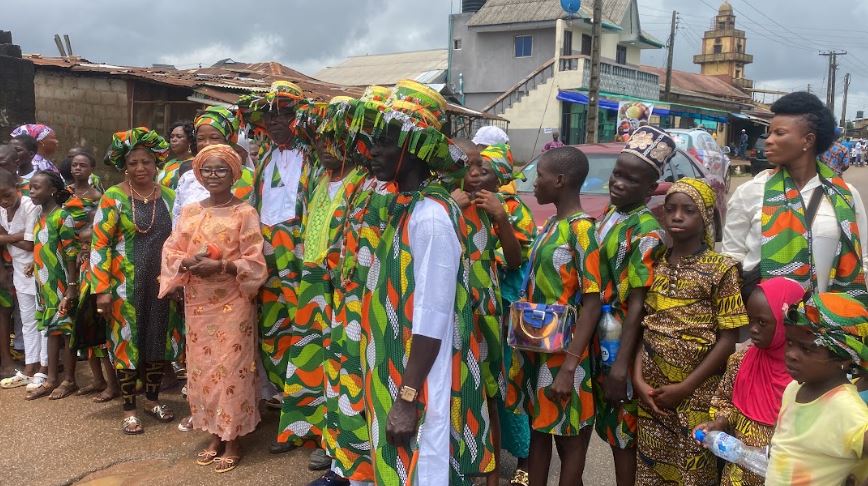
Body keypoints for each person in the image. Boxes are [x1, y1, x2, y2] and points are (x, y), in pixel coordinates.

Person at [354, 80, 493, 484]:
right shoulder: (405, 205)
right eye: (372, 142)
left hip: (420, 379)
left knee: (425, 466)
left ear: (413, 149)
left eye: (383, 143)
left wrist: (408, 397)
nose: (372, 152)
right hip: (398, 368)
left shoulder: (430, 218)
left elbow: (433, 315)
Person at [159, 144, 267, 473]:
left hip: (233, 301)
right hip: (198, 302)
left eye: (221, 170)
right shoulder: (191, 211)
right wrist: (188, 262)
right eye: (207, 170)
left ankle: (233, 438)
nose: (213, 176)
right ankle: (213, 433)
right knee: (203, 370)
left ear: (234, 173)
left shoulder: (244, 212)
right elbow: (171, 249)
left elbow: (255, 261)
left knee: (232, 368)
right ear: (198, 174)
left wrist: (222, 268)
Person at [633, 177, 748, 485]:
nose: (677, 217)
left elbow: (729, 339)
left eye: (688, 210)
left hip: (697, 395)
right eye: (670, 209)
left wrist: (685, 387)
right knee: (652, 471)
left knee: (693, 472)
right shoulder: (654, 264)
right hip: (653, 398)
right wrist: (638, 380)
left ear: (706, 216)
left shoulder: (721, 269)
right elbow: (645, 327)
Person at [274, 97, 366, 475]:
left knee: (342, 363)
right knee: (313, 360)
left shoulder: (362, 182)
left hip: (344, 287)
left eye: (335, 142)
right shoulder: (318, 178)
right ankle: (315, 433)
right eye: (321, 142)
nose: (326, 149)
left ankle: (339, 443)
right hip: (312, 285)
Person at [507, 146, 603, 486]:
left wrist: (569, 367)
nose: (534, 182)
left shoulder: (582, 230)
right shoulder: (551, 224)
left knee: (571, 441)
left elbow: (592, 300)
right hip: (537, 350)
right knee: (539, 433)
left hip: (564, 356)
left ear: (560, 181)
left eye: (541, 176)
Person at [313, 85, 394, 486]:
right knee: (343, 383)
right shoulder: (364, 181)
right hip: (346, 302)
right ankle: (344, 468)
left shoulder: (404, 193)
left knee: (369, 389)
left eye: (374, 137)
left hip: (376, 308)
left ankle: (365, 474)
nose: (363, 144)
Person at [723, 92, 868, 304]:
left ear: (807, 141)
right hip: (763, 328)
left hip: (825, 328)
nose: (768, 141)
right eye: (769, 133)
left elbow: (861, 260)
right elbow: (732, 258)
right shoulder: (751, 192)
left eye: (779, 133)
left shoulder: (845, 196)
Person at [592, 126, 669, 486]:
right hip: (599, 334)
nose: (618, 183)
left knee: (624, 432)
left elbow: (639, 303)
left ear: (650, 189)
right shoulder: (611, 214)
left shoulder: (646, 230)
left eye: (630, 179)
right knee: (611, 428)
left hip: (621, 341)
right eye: (617, 174)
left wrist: (622, 364)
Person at [93, 127, 179, 434]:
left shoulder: (169, 197)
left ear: (156, 163)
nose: (140, 168)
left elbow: (180, 241)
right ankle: (129, 407)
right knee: (125, 343)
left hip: (161, 285)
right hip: (122, 287)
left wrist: (178, 279)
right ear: (124, 167)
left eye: (146, 162)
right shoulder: (113, 198)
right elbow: (99, 245)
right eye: (133, 163)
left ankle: (152, 399)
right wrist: (101, 290)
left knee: (157, 340)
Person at [237, 81, 315, 413]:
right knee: (272, 325)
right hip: (267, 251)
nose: (275, 123)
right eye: (269, 117)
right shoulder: (265, 156)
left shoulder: (314, 156)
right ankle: (286, 397)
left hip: (300, 251)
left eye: (283, 115)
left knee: (307, 324)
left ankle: (311, 406)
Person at [451, 141, 523, 486]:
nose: (476, 173)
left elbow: (513, 261)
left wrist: (501, 217)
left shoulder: (494, 208)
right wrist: (452, 207)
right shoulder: (442, 203)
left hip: (487, 312)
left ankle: (492, 476)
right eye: (470, 166)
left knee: (490, 395)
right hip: (452, 311)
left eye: (482, 166)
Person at [692, 277, 804, 486]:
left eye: (762, 322)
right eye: (750, 320)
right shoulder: (741, 360)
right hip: (736, 473)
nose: (752, 329)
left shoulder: (802, 379)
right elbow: (725, 400)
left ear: (785, 323)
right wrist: (720, 422)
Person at [766, 292, 868, 485]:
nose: (792, 355)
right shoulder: (793, 389)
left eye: (807, 349)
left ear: (845, 359)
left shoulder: (845, 408)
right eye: (789, 343)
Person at [27, 171, 79, 400]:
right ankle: (51, 379)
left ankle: (69, 380)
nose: (31, 191)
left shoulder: (62, 216)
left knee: (66, 331)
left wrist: (71, 285)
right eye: (30, 187)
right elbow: (45, 245)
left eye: (36, 187)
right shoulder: (40, 215)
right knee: (51, 330)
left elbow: (70, 253)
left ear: (52, 191)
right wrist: (33, 263)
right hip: (44, 284)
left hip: (60, 283)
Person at [173, 107, 254, 223]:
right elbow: (177, 222)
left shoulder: (248, 177)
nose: (207, 144)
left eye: (214, 138)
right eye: (201, 139)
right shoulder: (187, 179)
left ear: (228, 140)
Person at [0, 169, 41, 389]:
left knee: (43, 319)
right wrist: (19, 236)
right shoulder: (1, 209)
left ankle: (44, 369)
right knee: (27, 322)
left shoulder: (29, 206)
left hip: (38, 268)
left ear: (17, 188)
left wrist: (5, 238)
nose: (4, 201)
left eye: (7, 194)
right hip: (19, 270)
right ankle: (30, 368)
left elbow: (31, 244)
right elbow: (23, 240)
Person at [158, 120, 195, 190]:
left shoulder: (195, 164)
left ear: (190, 140)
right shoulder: (169, 164)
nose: (174, 140)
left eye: (179, 136)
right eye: (172, 137)